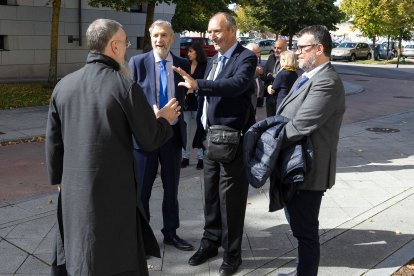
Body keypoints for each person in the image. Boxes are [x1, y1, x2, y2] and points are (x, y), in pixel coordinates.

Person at [46, 18, 181, 276]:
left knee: (78, 254)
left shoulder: (63, 86)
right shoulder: (124, 86)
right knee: (114, 256)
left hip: (73, 190)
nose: (127, 49)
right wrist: (164, 119)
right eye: (126, 43)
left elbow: (53, 143)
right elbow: (149, 138)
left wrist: (58, 179)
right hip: (113, 192)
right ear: (115, 46)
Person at [173, 12, 257, 276]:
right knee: (210, 195)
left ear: (232, 30)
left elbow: (236, 84)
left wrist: (199, 84)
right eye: (210, 31)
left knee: (230, 200)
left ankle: (232, 255)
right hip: (210, 138)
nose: (212, 36)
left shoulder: (246, 57)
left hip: (232, 140)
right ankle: (210, 242)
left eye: (216, 31)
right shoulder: (214, 59)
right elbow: (209, 96)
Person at [276, 25, 345, 276]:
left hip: (308, 170)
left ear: (319, 49)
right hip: (295, 165)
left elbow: (300, 125)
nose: (298, 53)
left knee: (305, 232)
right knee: (299, 227)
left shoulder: (327, 81)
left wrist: (263, 141)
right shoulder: (307, 76)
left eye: (303, 48)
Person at [128, 20, 194, 251]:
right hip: (145, 137)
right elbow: (130, 100)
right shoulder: (137, 63)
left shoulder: (182, 63)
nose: (159, 40)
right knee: (142, 190)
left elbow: (188, 97)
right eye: (155, 35)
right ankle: (141, 238)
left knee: (171, 188)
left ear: (172, 38)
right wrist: (150, 113)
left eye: (164, 35)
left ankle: (171, 233)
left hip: (172, 136)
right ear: (150, 36)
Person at [181, 42, 207, 170]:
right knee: (185, 129)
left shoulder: (204, 65)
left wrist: (194, 89)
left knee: (200, 129)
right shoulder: (185, 64)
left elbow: (206, 83)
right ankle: (185, 157)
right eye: (188, 51)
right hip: (186, 102)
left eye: (191, 51)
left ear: (197, 52)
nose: (188, 54)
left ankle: (200, 158)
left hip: (199, 101)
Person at [261, 39, 287, 117]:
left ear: (285, 48)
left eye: (279, 48)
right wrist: (262, 74)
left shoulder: (289, 60)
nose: (276, 50)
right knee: (269, 120)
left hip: (281, 97)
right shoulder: (271, 58)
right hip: (270, 97)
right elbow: (265, 76)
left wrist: (272, 76)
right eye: (274, 47)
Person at [245, 43, 264, 116]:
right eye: (258, 52)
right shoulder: (244, 63)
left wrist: (262, 73)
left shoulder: (255, 62)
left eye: (259, 52)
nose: (259, 55)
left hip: (255, 99)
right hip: (247, 100)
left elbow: (262, 78)